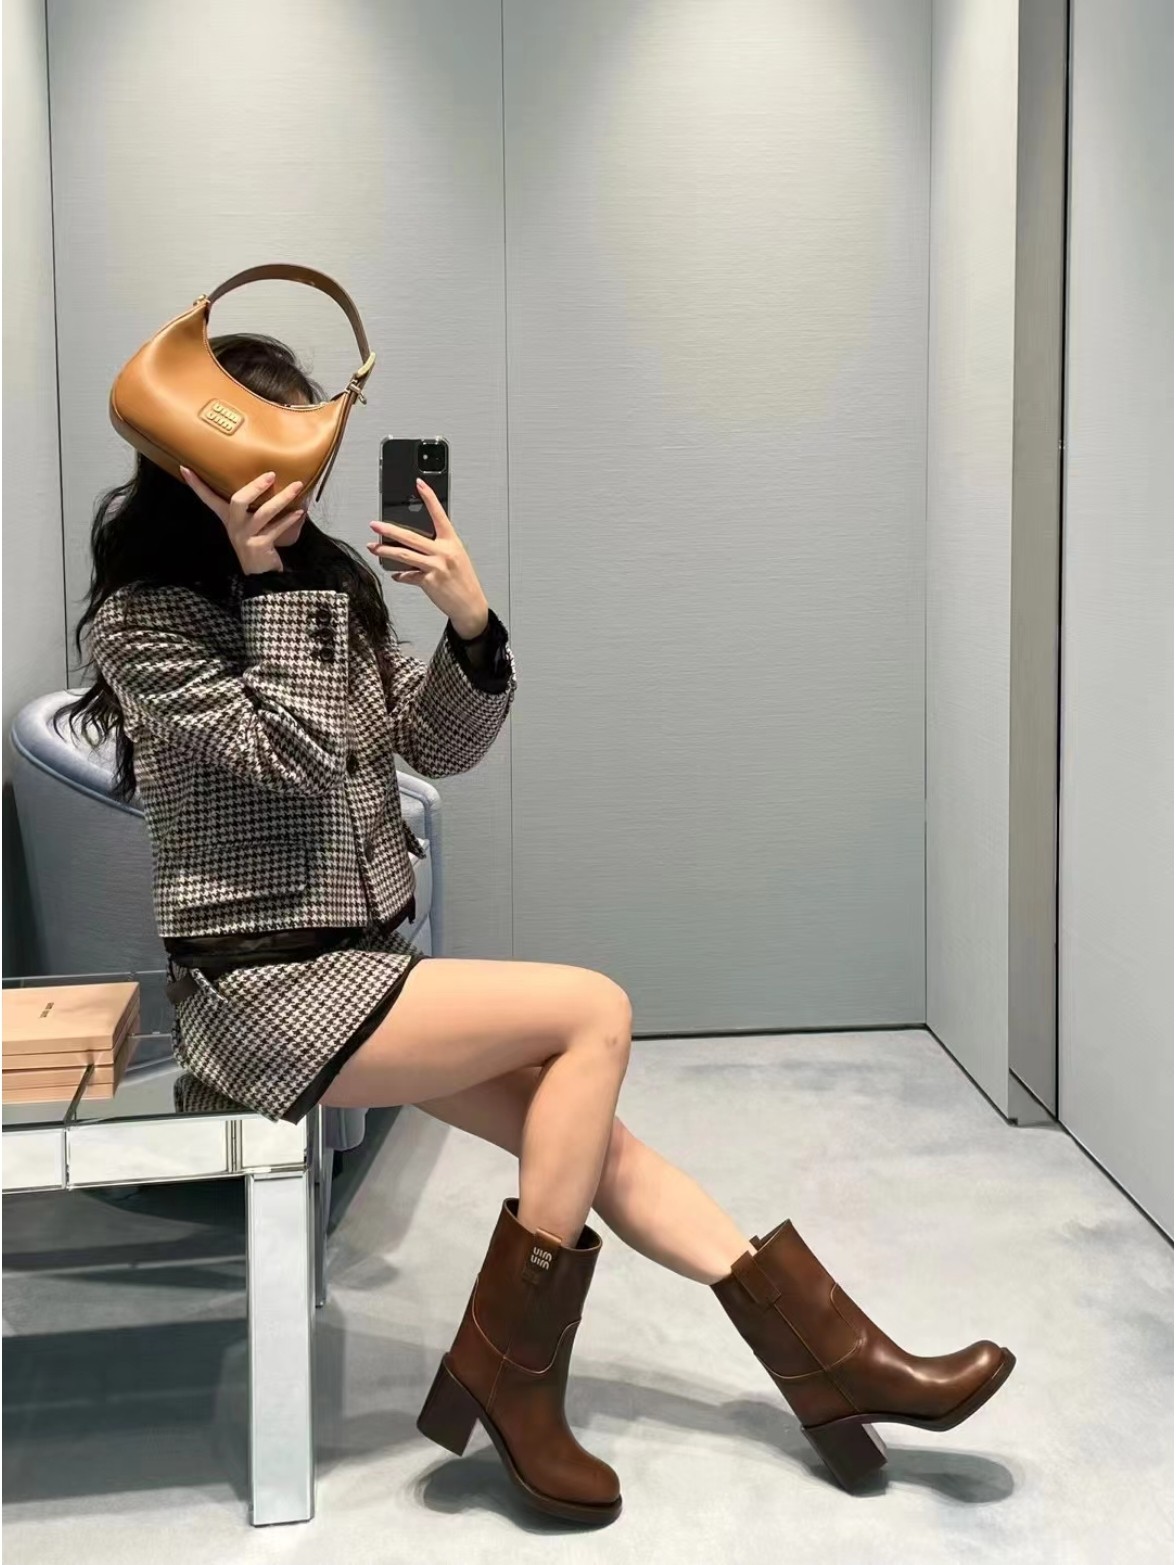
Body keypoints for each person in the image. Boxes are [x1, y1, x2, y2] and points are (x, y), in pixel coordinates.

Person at [60, 331, 1014, 1528]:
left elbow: (433, 743)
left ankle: (835, 1365)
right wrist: (262, 584)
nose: (296, 471)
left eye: (310, 442)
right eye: (272, 443)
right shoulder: (146, 621)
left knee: (600, 1148)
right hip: (261, 993)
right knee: (591, 1010)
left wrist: (471, 627)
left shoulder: (325, 582)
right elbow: (285, 758)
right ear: (192, 455)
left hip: (359, 971)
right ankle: (512, 1376)